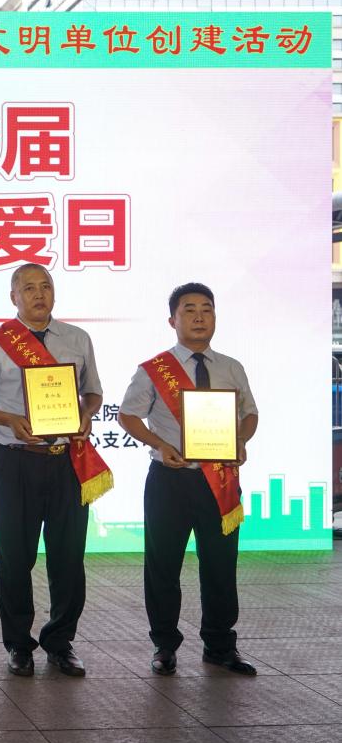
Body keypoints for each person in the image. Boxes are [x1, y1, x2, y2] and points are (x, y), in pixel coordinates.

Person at [0, 263, 108, 677]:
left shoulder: (77, 339)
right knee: (14, 556)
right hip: (15, 460)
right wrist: (8, 419)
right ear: (14, 297)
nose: (39, 294)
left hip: (66, 460)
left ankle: (60, 642)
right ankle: (18, 644)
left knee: (68, 556)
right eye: (29, 288)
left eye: (46, 286)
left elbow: (93, 392)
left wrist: (85, 414)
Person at [118, 283, 258, 676]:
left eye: (207, 309)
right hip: (170, 479)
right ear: (172, 320)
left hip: (220, 479)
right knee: (163, 565)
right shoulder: (154, 369)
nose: (199, 317)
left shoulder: (231, 367)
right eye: (189, 310)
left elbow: (249, 413)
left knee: (220, 564)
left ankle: (220, 645)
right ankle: (164, 645)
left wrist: (241, 440)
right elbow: (128, 415)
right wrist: (160, 444)